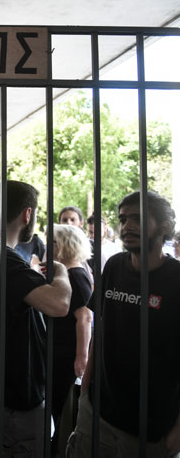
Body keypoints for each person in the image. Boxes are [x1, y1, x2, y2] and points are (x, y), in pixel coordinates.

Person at [68, 191, 180, 458]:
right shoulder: (114, 266)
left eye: (138, 219)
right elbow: (101, 330)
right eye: (123, 219)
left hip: (151, 430)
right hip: (97, 416)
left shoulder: (176, 279)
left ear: (164, 226)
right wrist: (85, 394)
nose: (127, 226)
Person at [0, 181, 71, 457]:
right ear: (27, 214)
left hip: (0, 390)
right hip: (13, 396)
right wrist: (61, 272)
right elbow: (59, 304)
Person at [48, 224, 93, 454]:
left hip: (67, 356)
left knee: (64, 412)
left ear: (65, 245)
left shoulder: (75, 275)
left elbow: (85, 318)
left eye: (53, 242)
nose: (50, 247)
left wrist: (81, 358)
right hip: (60, 352)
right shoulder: (67, 273)